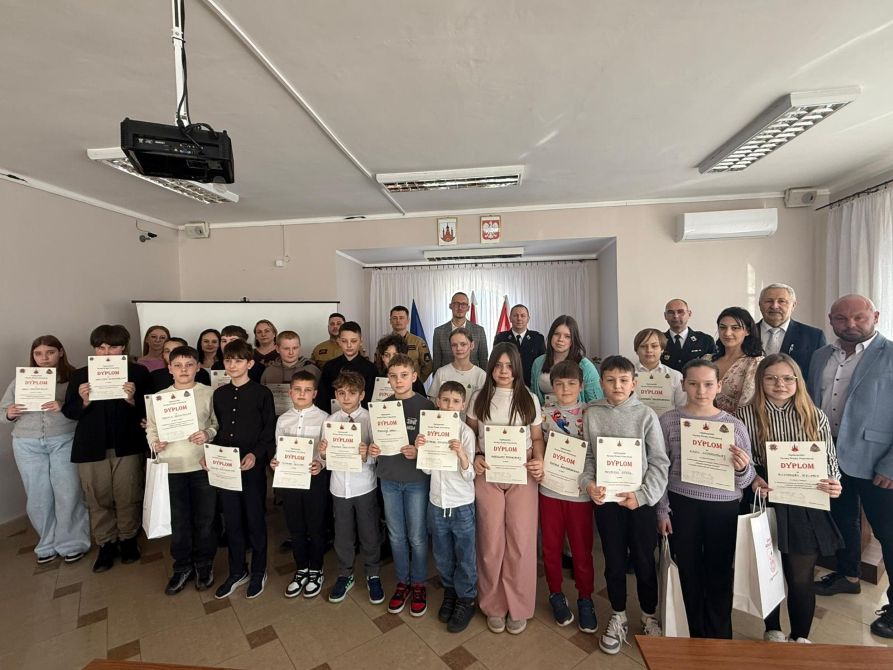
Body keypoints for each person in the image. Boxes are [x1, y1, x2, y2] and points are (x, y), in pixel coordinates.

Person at [735, 353, 842, 643]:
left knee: (801, 575)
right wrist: (752, 478)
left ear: (798, 380)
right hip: (764, 498)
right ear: (760, 381)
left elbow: (830, 461)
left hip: (804, 502)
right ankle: (773, 629)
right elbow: (741, 461)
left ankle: (800, 637)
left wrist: (835, 482)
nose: (779, 384)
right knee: (767, 568)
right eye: (771, 378)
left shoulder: (814, 415)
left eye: (787, 378)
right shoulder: (744, 415)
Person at [808, 295, 893, 639]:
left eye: (859, 317)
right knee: (843, 521)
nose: (851, 324)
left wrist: (891, 465)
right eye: (842, 319)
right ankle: (848, 575)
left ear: (875, 316)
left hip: (878, 463)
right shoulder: (820, 356)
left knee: (889, 533)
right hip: (829, 458)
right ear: (831, 320)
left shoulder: (890, 355)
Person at [657, 359, 755, 639]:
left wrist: (742, 469)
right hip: (682, 504)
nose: (701, 391)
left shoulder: (734, 426)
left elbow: (747, 479)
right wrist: (661, 510)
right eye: (694, 384)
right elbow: (660, 469)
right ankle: (692, 631)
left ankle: (719, 635)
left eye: (708, 384)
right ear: (683, 385)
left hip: (722, 508)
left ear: (719, 386)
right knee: (687, 569)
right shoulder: (668, 421)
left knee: (719, 571)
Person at [582, 356, 670, 653]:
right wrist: (589, 483)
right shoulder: (592, 413)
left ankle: (648, 615)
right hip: (606, 501)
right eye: (610, 380)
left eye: (623, 380)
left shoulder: (646, 415)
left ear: (634, 383)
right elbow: (589, 457)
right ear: (601, 382)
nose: (617, 386)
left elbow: (659, 462)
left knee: (645, 560)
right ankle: (618, 614)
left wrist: (643, 496)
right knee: (614, 560)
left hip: (639, 503)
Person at [468, 343, 545, 635]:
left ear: (517, 368)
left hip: (521, 473)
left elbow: (536, 438)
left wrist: (539, 460)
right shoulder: (479, 397)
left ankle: (519, 605)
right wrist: (475, 456)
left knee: (521, 541)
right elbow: (470, 433)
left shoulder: (529, 398)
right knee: (490, 540)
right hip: (488, 471)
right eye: (498, 365)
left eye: (509, 366)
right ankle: (493, 605)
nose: (503, 371)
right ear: (491, 367)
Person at [62, 324, 153, 573]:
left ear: (123, 347)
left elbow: (152, 409)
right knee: (97, 496)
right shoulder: (81, 375)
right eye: (101, 347)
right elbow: (69, 411)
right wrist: (83, 401)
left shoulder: (138, 372)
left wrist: (132, 400)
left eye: (113, 347)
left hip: (127, 444)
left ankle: (128, 539)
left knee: (128, 494)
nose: (106, 352)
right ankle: (106, 543)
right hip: (91, 447)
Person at [1, 335, 90, 564]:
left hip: (63, 439)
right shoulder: (20, 380)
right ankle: (47, 543)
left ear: (60, 352)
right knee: (38, 495)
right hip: (27, 443)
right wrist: (9, 413)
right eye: (38, 353)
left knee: (68, 491)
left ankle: (72, 543)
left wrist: (63, 406)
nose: (44, 358)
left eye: (50, 352)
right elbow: (3, 412)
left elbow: (83, 409)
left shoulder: (73, 378)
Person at [145, 345, 219, 594]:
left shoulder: (209, 393)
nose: (184, 370)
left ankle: (204, 564)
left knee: (205, 520)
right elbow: (152, 428)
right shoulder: (159, 398)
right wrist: (154, 443)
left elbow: (216, 424)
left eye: (189, 365)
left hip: (202, 465)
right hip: (172, 467)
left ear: (198, 367)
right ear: (170, 369)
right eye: (178, 365)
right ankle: (182, 566)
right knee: (179, 521)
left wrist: (208, 433)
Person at [208, 339, 276, 600]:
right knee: (232, 521)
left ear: (250, 363)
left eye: (238, 360)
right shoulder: (219, 394)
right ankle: (237, 571)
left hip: (251, 467)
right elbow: (216, 429)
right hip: (225, 467)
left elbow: (268, 431)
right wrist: (209, 456)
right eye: (228, 360)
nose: (232, 365)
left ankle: (258, 570)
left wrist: (255, 455)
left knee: (255, 520)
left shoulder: (262, 393)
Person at [369, 354, 435, 616]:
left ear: (414, 376)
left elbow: (436, 447)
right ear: (388, 378)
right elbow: (374, 442)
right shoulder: (380, 407)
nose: (398, 380)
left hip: (416, 480)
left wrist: (419, 452)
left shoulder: (427, 406)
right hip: (389, 478)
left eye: (404, 375)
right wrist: (373, 449)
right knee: (396, 535)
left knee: (417, 536)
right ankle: (402, 582)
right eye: (393, 376)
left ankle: (418, 583)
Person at [537, 360, 596, 634]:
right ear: (552, 386)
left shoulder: (591, 414)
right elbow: (538, 445)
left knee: (581, 549)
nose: (565, 389)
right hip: (550, 490)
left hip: (580, 493)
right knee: (550, 547)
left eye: (571, 383)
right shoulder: (544, 414)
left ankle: (585, 597)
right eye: (559, 384)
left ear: (581, 386)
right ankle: (556, 593)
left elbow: (596, 452)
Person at [416, 381, 478, 633]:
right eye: (445, 400)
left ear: (463, 405)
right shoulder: (430, 430)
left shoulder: (466, 433)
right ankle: (450, 591)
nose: (449, 405)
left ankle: (467, 598)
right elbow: (427, 471)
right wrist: (422, 450)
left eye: (455, 401)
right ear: (437, 402)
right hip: (437, 503)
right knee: (442, 555)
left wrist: (462, 454)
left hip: (461, 505)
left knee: (465, 555)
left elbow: (470, 475)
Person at [319, 371, 383, 605]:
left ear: (362, 395)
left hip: (364, 485)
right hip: (339, 487)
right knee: (343, 534)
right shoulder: (330, 421)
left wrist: (368, 454)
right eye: (341, 393)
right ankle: (345, 574)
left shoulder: (370, 420)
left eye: (352, 393)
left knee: (369, 532)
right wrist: (323, 453)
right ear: (336, 395)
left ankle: (373, 573)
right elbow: (324, 458)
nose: (346, 398)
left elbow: (377, 456)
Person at [270, 370, 329, 599]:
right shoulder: (283, 420)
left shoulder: (324, 418)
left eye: (307, 390)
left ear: (315, 393)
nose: (302, 394)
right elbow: (279, 449)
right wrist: (275, 461)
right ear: (290, 392)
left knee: (316, 527)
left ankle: (316, 570)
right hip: (290, 481)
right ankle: (301, 568)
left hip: (314, 479)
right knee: (295, 527)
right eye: (297, 389)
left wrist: (321, 463)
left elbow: (327, 451)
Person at [757, 283, 827, 382]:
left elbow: (819, 376)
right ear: (760, 305)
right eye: (769, 301)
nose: (774, 306)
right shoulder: (745, 334)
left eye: (782, 301)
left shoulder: (813, 337)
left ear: (793, 305)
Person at [530, 315, 603, 405]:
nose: (560, 339)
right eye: (556, 334)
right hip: (544, 413)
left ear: (573, 340)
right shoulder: (538, 362)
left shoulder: (585, 366)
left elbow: (596, 402)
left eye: (567, 336)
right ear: (551, 336)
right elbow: (533, 396)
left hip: (578, 413)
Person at [710, 307, 764, 413]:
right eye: (723, 327)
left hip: (739, 421)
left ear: (747, 331)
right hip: (701, 421)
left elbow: (747, 404)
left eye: (735, 328)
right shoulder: (707, 360)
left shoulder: (754, 363)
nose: (727, 333)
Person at [316, 322, 377, 411]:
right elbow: (322, 398)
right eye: (344, 341)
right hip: (334, 415)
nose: (349, 345)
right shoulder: (329, 367)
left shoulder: (371, 369)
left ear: (360, 341)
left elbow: (372, 399)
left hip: (363, 416)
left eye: (353, 341)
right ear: (339, 341)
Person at [427, 328, 487, 413]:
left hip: (471, 421)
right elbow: (433, 404)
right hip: (446, 420)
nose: (458, 348)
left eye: (463, 344)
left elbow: (484, 406)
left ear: (472, 345)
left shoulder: (481, 375)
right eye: (454, 345)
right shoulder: (441, 373)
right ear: (450, 347)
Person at [634, 328, 686, 413]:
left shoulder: (676, 376)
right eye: (643, 346)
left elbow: (681, 407)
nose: (649, 350)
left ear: (662, 349)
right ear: (636, 350)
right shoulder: (626, 375)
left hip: (667, 421)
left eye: (654, 346)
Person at [492, 304, 546, 387]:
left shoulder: (538, 338)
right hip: (508, 385)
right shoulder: (501, 338)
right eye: (515, 315)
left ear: (528, 319)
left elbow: (542, 363)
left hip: (531, 385)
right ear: (510, 318)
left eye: (523, 316)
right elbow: (495, 362)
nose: (519, 318)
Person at [431, 292, 489, 370]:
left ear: (468, 308)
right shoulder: (439, 332)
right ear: (450, 306)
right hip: (447, 376)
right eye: (456, 304)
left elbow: (483, 361)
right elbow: (436, 363)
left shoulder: (479, 331)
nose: (460, 307)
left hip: (473, 377)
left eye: (463, 304)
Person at [662, 299, 715, 372]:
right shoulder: (657, 340)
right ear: (665, 316)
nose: (676, 316)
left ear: (689, 314)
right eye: (671, 312)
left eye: (680, 312)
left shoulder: (705, 340)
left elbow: (713, 369)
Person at [388, 305, 433, 383]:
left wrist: (417, 381)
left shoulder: (418, 342)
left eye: (401, 318)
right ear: (390, 321)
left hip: (413, 385)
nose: (398, 321)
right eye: (394, 318)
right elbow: (378, 365)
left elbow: (428, 366)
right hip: (390, 384)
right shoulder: (385, 342)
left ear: (408, 320)